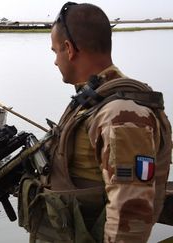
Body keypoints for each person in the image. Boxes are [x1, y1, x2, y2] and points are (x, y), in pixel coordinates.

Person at [17, 2, 172, 243]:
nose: (55, 62)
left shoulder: (121, 115)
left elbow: (130, 215)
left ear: (69, 49)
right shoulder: (94, 99)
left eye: (55, 51)